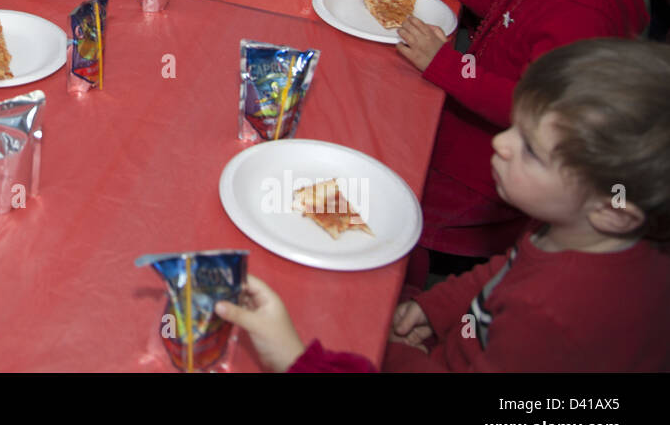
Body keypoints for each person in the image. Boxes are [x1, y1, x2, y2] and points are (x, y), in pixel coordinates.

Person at [217, 38, 670, 372]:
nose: (502, 143)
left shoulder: (554, 317)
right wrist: (439, 307)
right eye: (515, 126)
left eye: (531, 150)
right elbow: (507, 269)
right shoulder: (577, 229)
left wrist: (297, 361)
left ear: (615, 210)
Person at [392, 0, 666, 265]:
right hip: (466, 135)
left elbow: (531, 104)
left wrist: (446, 65)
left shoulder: (586, 15)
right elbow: (503, 3)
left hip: (480, 173)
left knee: (414, 237)